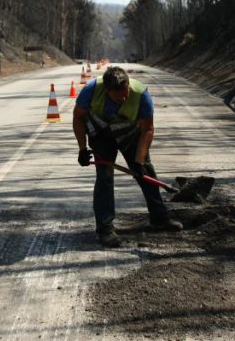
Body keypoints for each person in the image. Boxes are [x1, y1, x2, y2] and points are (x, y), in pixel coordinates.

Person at [73, 66, 182, 248]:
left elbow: (147, 129)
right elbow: (78, 118)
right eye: (118, 97)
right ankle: (105, 229)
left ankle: (159, 218)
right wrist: (82, 149)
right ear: (107, 91)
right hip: (100, 134)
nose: (123, 99)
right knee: (104, 178)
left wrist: (138, 161)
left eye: (125, 94)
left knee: (146, 171)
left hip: (130, 134)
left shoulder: (141, 94)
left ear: (128, 84)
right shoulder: (91, 90)